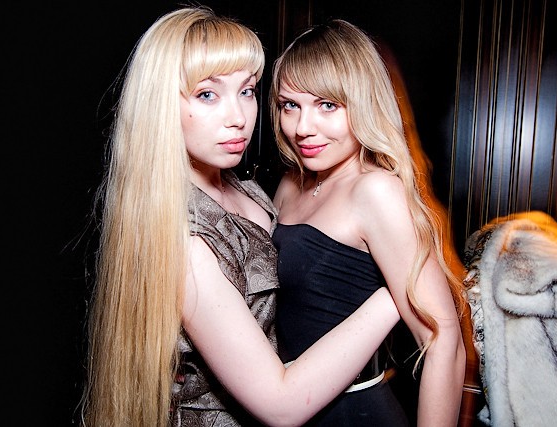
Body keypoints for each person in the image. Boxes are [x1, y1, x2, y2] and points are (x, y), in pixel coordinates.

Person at [80, 7, 401, 427]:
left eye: (247, 91)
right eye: (207, 95)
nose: (238, 118)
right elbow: (281, 405)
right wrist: (397, 293)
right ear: (159, 105)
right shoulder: (184, 240)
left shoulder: (247, 188)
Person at [270, 19, 467, 426]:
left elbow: (442, 339)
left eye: (327, 105)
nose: (303, 128)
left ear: (363, 103)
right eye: (291, 105)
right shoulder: (292, 182)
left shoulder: (375, 191)